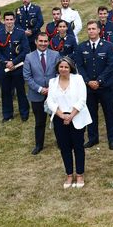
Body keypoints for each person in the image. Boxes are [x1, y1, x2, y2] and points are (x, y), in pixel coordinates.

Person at [46, 56, 92, 188]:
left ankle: (80, 174)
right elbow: (50, 101)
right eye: (61, 67)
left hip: (76, 117)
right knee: (64, 148)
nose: (63, 69)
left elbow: (82, 99)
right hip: (60, 119)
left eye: (66, 67)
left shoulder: (78, 79)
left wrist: (71, 116)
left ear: (70, 68)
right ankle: (69, 175)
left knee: (78, 147)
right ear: (57, 68)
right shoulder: (52, 82)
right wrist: (62, 115)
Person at [74, 20, 113, 150]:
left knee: (109, 114)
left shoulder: (108, 46)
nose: (91, 31)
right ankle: (93, 138)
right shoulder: (82, 47)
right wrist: (88, 81)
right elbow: (80, 66)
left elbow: (111, 65)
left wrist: (99, 81)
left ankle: (112, 139)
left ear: (99, 30)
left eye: (94, 28)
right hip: (89, 87)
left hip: (105, 87)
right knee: (91, 114)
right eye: (89, 29)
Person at [23, 32, 59, 155]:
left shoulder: (55, 55)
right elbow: (27, 77)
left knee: (57, 120)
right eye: (41, 41)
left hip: (53, 94)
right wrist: (40, 89)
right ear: (36, 42)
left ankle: (61, 142)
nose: (43, 44)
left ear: (48, 42)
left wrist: (51, 89)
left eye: (45, 41)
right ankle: (39, 145)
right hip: (37, 95)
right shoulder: (29, 57)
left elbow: (59, 73)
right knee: (39, 122)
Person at [0, 11, 29, 122]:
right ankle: (7, 114)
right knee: (5, 91)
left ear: (14, 20)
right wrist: (6, 62)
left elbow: (26, 50)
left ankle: (24, 113)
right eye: (7, 20)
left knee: (20, 91)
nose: (9, 22)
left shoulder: (20, 33)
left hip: (17, 67)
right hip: (4, 68)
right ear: (4, 21)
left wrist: (13, 62)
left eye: (11, 19)